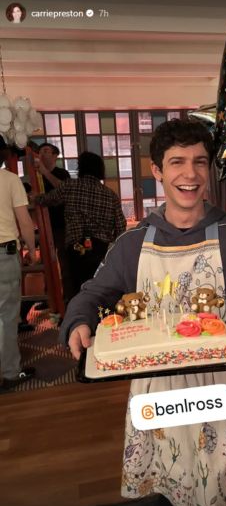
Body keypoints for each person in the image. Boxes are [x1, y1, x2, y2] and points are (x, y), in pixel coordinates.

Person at [59, 120, 226, 506]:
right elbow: (93, 292)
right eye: (176, 162)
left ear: (209, 169)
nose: (188, 174)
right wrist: (78, 320)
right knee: (170, 479)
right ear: (157, 170)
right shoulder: (133, 241)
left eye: (198, 162)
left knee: (224, 483)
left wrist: (216, 339)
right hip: (159, 388)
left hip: (220, 384)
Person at [36, 151, 127, 299]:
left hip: (76, 246)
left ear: (81, 168)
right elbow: (120, 226)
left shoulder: (71, 186)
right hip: (101, 247)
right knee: (99, 285)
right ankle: (100, 317)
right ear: (100, 170)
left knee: (75, 286)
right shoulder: (110, 194)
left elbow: (47, 200)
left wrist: (34, 197)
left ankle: (75, 317)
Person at [0, 137, 36, 390]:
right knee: (7, 315)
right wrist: (32, 250)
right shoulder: (10, 180)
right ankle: (11, 373)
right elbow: (24, 221)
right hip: (4, 253)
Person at [35, 142, 71, 306]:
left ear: (55, 156)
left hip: (62, 226)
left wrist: (45, 172)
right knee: (46, 264)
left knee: (64, 263)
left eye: (47, 150)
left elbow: (63, 190)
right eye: (41, 151)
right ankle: (49, 298)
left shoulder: (62, 173)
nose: (42, 153)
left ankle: (66, 298)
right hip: (42, 225)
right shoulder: (35, 176)